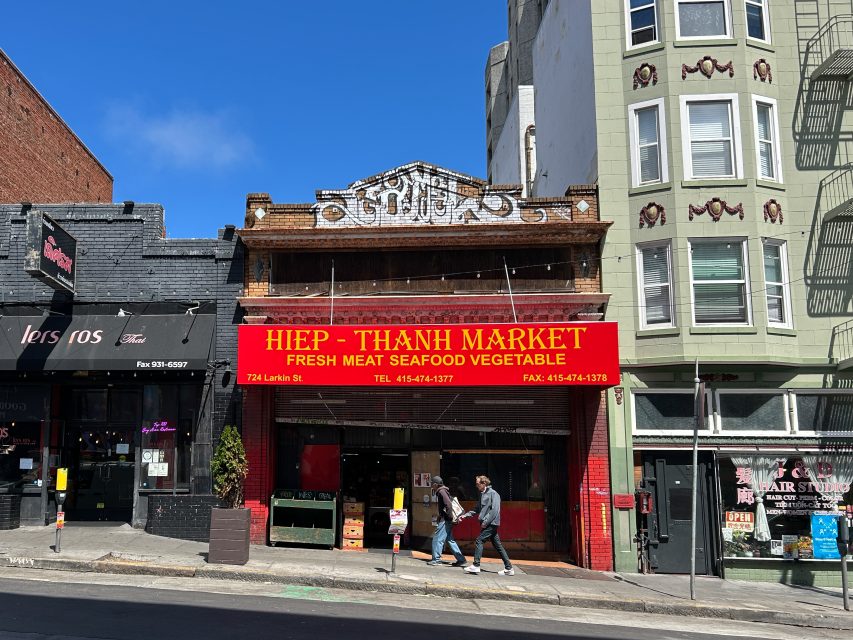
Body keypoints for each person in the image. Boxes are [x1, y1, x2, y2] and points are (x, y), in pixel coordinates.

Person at [460, 475, 514, 576]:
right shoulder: (482, 494)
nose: (476, 486)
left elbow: (495, 510)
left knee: (479, 541)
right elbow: (477, 509)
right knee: (498, 546)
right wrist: (465, 515)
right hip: (488, 524)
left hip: (491, 524)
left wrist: (485, 522)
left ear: (484, 483)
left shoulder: (494, 494)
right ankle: (509, 568)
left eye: (477, 484)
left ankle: (476, 565)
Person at [427, 476, 467, 567]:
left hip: (445, 520)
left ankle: (436, 559)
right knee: (449, 540)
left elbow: (448, 504)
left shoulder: (441, 491)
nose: (431, 486)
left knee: (437, 539)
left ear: (436, 484)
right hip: (446, 519)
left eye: (432, 484)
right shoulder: (443, 490)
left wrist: (449, 517)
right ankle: (461, 559)